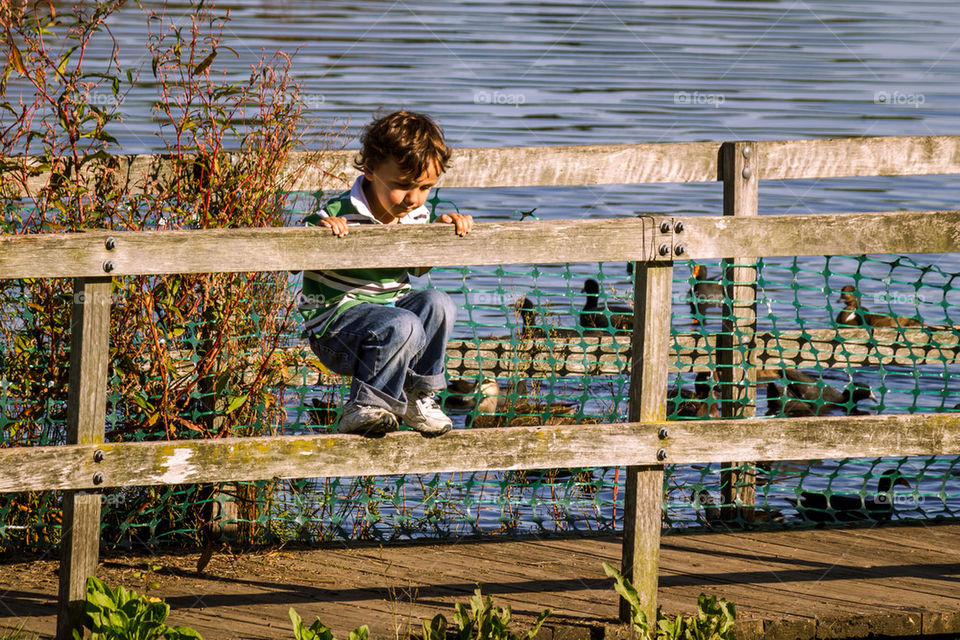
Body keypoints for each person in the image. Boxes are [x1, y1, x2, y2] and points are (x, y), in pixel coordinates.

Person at [300, 111, 473, 437]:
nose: (414, 199)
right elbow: (292, 252)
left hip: (391, 324)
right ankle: (363, 406)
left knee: (439, 303)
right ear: (371, 170)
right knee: (402, 323)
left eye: (425, 188)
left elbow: (418, 269)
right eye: (402, 186)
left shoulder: (417, 214)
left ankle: (416, 395)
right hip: (337, 331)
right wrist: (320, 232)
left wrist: (440, 234)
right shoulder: (342, 212)